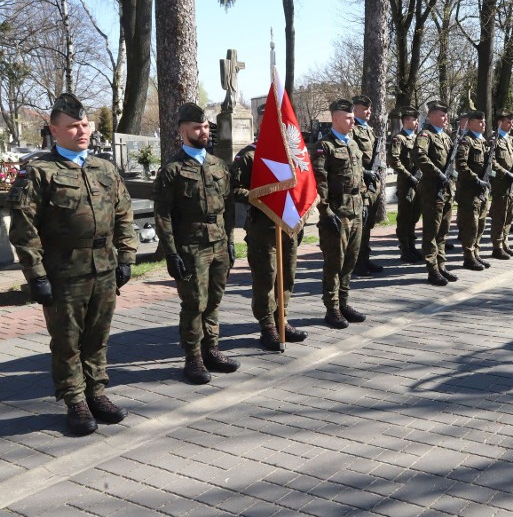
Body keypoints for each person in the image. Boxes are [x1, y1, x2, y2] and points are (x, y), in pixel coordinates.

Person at [8, 93, 137, 436]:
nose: (82, 131)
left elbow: (124, 216)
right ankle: (75, 401)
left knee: (98, 336)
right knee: (67, 341)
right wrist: (36, 276)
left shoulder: (104, 169)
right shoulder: (39, 172)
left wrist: (126, 257)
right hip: (64, 271)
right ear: (54, 130)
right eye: (72, 126)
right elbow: (25, 230)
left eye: (84, 124)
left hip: (104, 267)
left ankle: (96, 392)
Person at [154, 103, 238, 385]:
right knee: (194, 303)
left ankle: (211, 348)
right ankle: (193, 357)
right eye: (197, 127)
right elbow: (163, 215)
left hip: (218, 243)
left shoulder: (218, 165)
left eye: (205, 127)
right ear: (182, 130)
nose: (203, 132)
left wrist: (230, 243)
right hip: (191, 246)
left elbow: (227, 207)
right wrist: (171, 253)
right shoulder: (173, 169)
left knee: (214, 300)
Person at [231, 135, 308, 349]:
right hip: (262, 229)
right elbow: (233, 188)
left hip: (288, 225)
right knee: (266, 278)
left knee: (287, 277)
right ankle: (267, 327)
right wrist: (265, 196)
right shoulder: (249, 155)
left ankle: (281, 319)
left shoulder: (293, 153)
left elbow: (303, 187)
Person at [312, 98, 369, 327]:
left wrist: (364, 201)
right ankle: (332, 308)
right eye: (347, 117)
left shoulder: (353, 144)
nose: (352, 120)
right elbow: (320, 183)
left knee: (351, 260)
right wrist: (326, 213)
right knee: (335, 262)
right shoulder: (324, 146)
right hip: (336, 213)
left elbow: (360, 175)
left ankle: (344, 302)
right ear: (335, 119)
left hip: (355, 209)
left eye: (352, 116)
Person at [415, 100, 458, 285]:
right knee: (431, 232)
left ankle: (441, 265)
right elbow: (419, 155)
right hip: (433, 190)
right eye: (441, 114)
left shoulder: (446, 137)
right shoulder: (426, 135)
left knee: (443, 230)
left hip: (447, 190)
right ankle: (432, 269)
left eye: (446, 114)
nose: (445, 117)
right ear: (431, 116)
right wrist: (437, 172)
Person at [351, 95, 384, 277]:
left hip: (372, 185)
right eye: (365, 109)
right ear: (355, 110)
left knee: (368, 225)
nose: (368, 111)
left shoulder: (368, 130)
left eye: (369, 108)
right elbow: (352, 158)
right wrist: (365, 172)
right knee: (360, 226)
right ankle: (356, 263)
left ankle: (364, 259)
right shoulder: (352, 130)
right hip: (362, 185)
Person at [455, 110, 491, 270]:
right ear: (470, 123)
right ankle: (468, 257)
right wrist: (475, 178)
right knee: (471, 225)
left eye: (483, 121)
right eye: (479, 122)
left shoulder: (483, 141)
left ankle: (476, 253)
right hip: (470, 190)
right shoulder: (466, 141)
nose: (483, 124)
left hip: (482, 191)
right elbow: (461, 164)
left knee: (481, 224)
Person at [388, 106, 422, 263]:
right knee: (405, 217)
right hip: (406, 183)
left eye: (417, 119)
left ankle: (412, 246)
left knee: (414, 216)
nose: (416, 122)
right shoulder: (399, 139)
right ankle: (405, 249)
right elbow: (394, 160)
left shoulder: (417, 138)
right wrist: (409, 176)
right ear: (405, 121)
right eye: (414, 119)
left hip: (418, 183)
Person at [489, 109, 513, 259]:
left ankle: (505, 242)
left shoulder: (508, 139)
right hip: (501, 184)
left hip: (511, 184)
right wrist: (505, 173)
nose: (511, 124)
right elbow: (492, 162)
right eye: (508, 121)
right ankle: (497, 246)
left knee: (509, 216)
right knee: (499, 216)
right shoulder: (494, 139)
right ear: (500, 122)